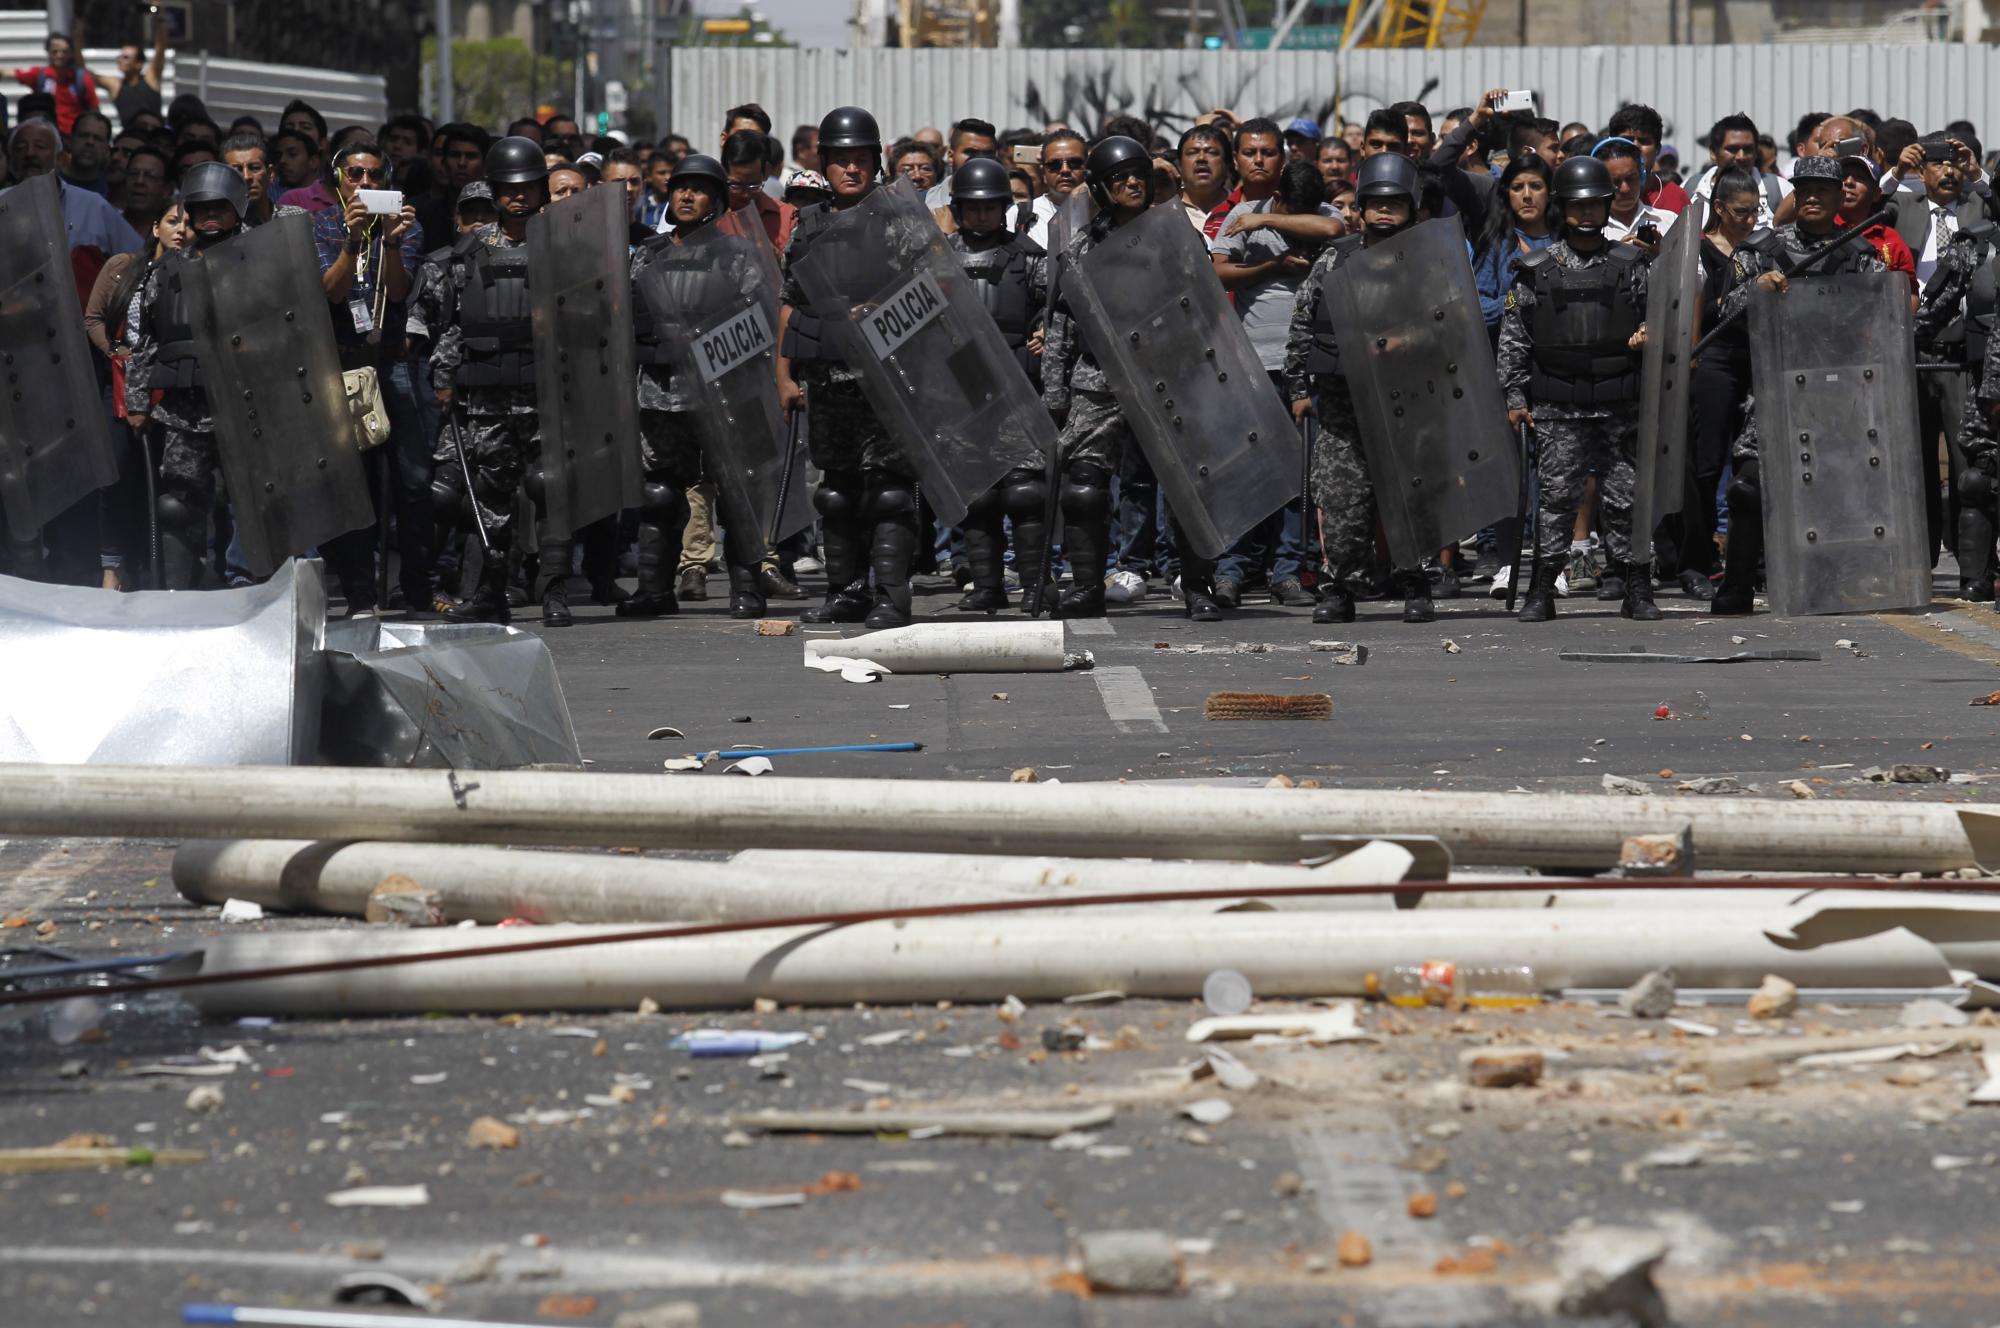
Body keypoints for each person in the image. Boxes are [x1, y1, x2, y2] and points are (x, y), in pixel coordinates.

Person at [1042, 134, 1227, 621]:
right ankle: (1086, 586)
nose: (1130, 184)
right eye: (1119, 178)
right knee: (1084, 484)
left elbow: (1206, 310)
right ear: (1101, 189)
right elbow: (1061, 321)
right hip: (1100, 378)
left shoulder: (1179, 236)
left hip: (1170, 374)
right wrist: (1056, 390)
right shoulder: (1083, 246)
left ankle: (1198, 587)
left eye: (1138, 175)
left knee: (1190, 484)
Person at [1709, 155, 1889, 616]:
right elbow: (1725, 312)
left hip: (1838, 395)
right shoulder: (1760, 251)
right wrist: (1757, 292)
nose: (1812, 196)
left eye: (1822, 190)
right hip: (1774, 391)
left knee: (1831, 489)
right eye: (1803, 188)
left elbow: (1879, 321)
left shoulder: (1861, 253)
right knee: (1748, 486)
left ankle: (1824, 581)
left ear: (1838, 196)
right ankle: (1738, 584)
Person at [777, 105, 923, 627]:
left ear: (874, 162)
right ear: (826, 164)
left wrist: (882, 309)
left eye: (860, 159)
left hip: (888, 382)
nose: (851, 169)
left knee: (887, 492)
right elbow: (789, 304)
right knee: (837, 493)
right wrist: (784, 375)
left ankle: (890, 597)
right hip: (828, 381)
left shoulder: (899, 221)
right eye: (841, 160)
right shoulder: (807, 229)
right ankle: (847, 591)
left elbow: (932, 291)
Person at [1498, 154, 1658, 623]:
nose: (1587, 213)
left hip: (1618, 402)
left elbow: (1658, 320)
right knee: (1556, 501)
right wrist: (1514, 397)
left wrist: (1647, 335)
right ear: (1562, 207)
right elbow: (1514, 339)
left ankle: (1636, 588)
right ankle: (1541, 589)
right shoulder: (1535, 269)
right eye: (1577, 204)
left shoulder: (1632, 265)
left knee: (1625, 500)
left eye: (1596, 204)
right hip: (1557, 404)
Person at [1283, 152, 1432, 625]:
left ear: (1412, 208)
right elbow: (1304, 321)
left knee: (1409, 500)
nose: (1385, 211)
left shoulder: (1425, 260)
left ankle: (1415, 583)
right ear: (1360, 207)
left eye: (1396, 203)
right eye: (1376, 202)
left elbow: (1449, 325)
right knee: (1342, 501)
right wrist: (1297, 387)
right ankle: (1339, 588)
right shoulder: (1334, 258)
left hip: (1405, 401)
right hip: (1342, 405)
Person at [622, 153, 771, 620]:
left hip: (721, 395)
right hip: (659, 394)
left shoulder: (739, 254)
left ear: (718, 200)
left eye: (698, 188)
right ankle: (653, 589)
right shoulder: (649, 252)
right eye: (679, 187)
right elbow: (627, 319)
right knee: (659, 494)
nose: (685, 195)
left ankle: (747, 588)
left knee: (732, 490)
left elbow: (758, 322)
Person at [427, 136, 550, 624]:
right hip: (489, 390)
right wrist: (444, 377)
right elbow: (453, 320)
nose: (517, 196)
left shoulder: (563, 240)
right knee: (490, 495)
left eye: (526, 187)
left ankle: (555, 590)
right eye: (507, 188)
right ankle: (489, 592)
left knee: (548, 488)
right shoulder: (471, 250)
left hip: (546, 388)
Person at [1211, 150, 1337, 610]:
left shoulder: (1319, 216)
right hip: (1255, 364)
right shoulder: (1246, 212)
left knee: (1301, 477)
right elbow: (1219, 271)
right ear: (1278, 194)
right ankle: (1232, 570)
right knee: (1249, 473)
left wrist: (1276, 226)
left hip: (1309, 367)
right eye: (1288, 208)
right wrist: (1272, 267)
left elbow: (1333, 230)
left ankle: (1288, 571)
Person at [122, 163, 252, 589]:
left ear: (237, 208)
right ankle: (179, 590)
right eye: (202, 208)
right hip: (184, 410)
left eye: (221, 206)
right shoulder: (164, 272)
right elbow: (146, 341)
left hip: (246, 405)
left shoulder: (260, 260)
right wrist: (138, 402)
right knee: (178, 504)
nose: (211, 215)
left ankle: (245, 585)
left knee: (251, 500)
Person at [315, 138, 430, 618]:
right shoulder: (320, 226)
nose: (364, 184)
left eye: (374, 176)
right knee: (350, 482)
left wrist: (393, 242)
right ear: (338, 180)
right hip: (342, 364)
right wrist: (351, 240)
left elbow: (398, 291)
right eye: (354, 175)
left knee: (414, 478)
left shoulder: (404, 224)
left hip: (390, 360)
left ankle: (418, 587)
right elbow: (330, 293)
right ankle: (360, 593)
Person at [944, 156, 1053, 613]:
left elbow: (1060, 308)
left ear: (1005, 207)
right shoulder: (939, 258)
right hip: (960, 388)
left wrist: (1046, 331)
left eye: (991, 206)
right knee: (977, 495)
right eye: (973, 206)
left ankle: (1034, 586)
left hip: (1016, 385)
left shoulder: (1029, 258)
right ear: (959, 207)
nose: (983, 214)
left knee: (1025, 492)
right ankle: (986, 586)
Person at [85, 201, 191, 589]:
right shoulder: (123, 266)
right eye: (172, 221)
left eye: (188, 223)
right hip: (117, 382)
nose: (181, 229)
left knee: (164, 485)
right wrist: (115, 355)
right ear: (155, 227)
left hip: (172, 388)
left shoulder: (193, 272)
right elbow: (93, 318)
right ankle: (112, 568)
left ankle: (157, 569)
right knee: (116, 479)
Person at [1674, 168, 1763, 604]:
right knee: (1705, 466)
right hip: (1712, 361)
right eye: (1741, 213)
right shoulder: (1700, 251)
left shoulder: (1764, 250)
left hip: (1755, 360)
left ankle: (1752, 556)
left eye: (1755, 212)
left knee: (1753, 463)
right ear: (1721, 208)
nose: (1749, 221)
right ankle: (1697, 558)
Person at [1690, 113, 1790, 227]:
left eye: (1748, 149)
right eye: (1732, 149)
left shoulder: (1781, 190)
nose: (1741, 156)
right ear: (1713, 152)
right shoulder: (1690, 190)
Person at [1607, 103, 1690, 214]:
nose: (1635, 147)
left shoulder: (1676, 197)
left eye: (1644, 141)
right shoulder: (1597, 196)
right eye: (1627, 140)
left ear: (1658, 149)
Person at [722, 127, 796, 251]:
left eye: (753, 186)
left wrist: (778, 258)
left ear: (766, 171)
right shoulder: (712, 217)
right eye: (736, 185)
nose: (745, 194)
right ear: (723, 172)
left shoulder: (788, 218)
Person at [13, 33, 98, 135]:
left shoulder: (81, 78)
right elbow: (8, 73)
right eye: (55, 51)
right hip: (47, 134)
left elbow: (94, 109)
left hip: (74, 136)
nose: (60, 55)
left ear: (71, 53)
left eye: (64, 52)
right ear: (48, 52)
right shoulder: (40, 75)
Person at [1596, 138, 1674, 246]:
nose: (1625, 189)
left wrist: (1662, 256)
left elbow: (1693, 263)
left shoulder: (1670, 221)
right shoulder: (1592, 230)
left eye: (1630, 179)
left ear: (1641, 177)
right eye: (1616, 182)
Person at [105, 19, 168, 129]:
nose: (120, 60)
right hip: (130, 141)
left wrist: (160, 19)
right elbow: (86, 73)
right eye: (120, 56)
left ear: (139, 64)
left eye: (126, 57)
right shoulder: (116, 85)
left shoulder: (150, 80)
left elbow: (160, 48)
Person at [924, 118, 999, 208]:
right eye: (971, 152)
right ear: (951, 157)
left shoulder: (1008, 208)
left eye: (987, 153)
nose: (979, 159)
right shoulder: (923, 203)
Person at [1175, 122, 1233, 235]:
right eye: (1192, 153)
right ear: (1179, 165)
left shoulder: (1242, 207)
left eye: (1211, 153)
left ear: (1227, 163)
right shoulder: (1166, 213)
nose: (1201, 158)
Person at [119, 143, 169, 235]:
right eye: (134, 173)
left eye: (150, 176)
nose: (139, 181)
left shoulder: (172, 237)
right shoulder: (106, 223)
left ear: (166, 190)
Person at [61, 108, 110, 196]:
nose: (90, 142)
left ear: (106, 149)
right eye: (83, 136)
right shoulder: (52, 185)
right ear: (70, 141)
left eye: (97, 139)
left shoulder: (111, 193)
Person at [639, 149, 673, 229]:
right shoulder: (639, 205)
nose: (668, 177)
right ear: (648, 175)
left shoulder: (678, 206)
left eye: (671, 172)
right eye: (662, 173)